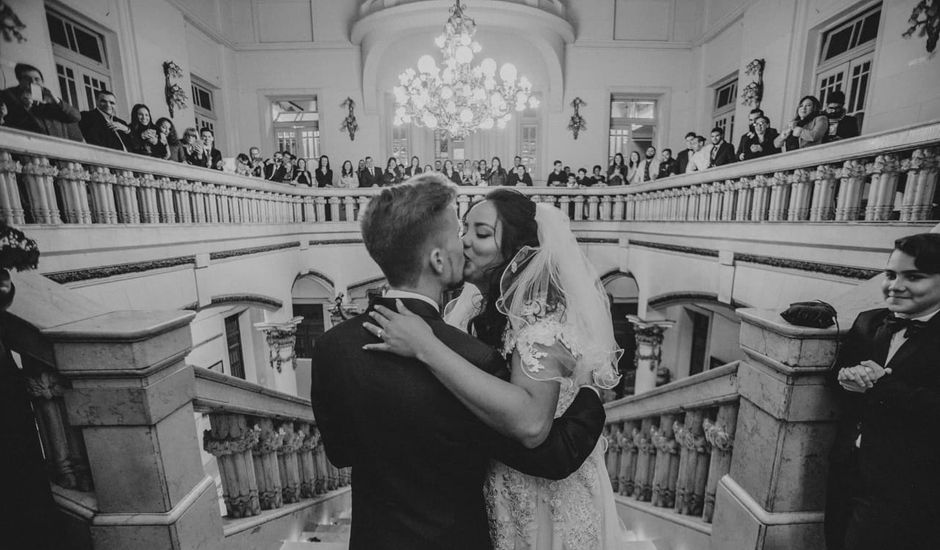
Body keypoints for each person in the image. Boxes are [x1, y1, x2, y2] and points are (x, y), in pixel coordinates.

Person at [310, 176, 606, 550]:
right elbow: (544, 446)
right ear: (436, 258)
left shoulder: (330, 346)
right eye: (458, 231)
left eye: (475, 232)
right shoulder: (472, 357)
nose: (464, 242)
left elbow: (340, 453)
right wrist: (593, 396)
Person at [824, 233, 940, 550]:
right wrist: (847, 377)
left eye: (914, 277)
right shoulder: (868, 322)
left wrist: (881, 386)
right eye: (891, 274)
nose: (895, 285)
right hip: (849, 464)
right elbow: (838, 378)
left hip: (906, 481)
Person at [1, 63, 81, 141]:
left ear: (42, 82)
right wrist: (25, 107)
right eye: (27, 79)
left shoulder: (49, 98)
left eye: (37, 79)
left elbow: (76, 117)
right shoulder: (8, 96)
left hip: (55, 147)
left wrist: (56, 100)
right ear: (20, 81)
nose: (33, 82)